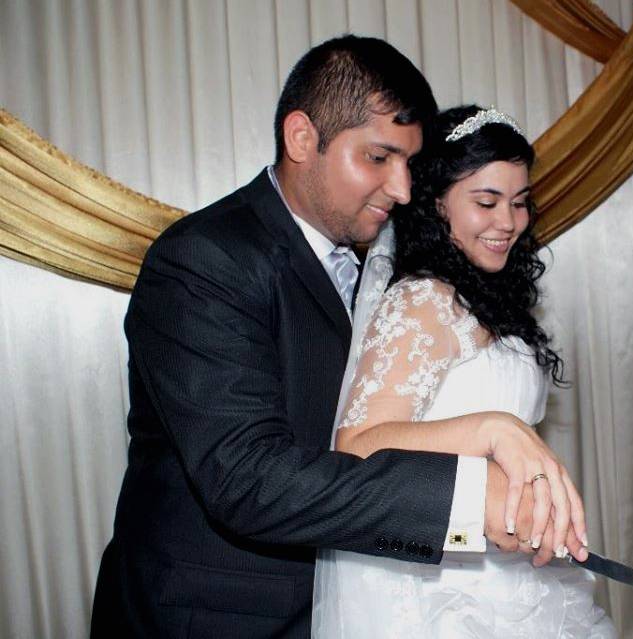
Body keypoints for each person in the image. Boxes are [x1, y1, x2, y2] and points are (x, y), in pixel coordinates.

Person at [90, 37, 585, 638]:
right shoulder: (203, 259)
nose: (402, 189)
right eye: (379, 158)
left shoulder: (384, 258)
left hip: (346, 597)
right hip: (219, 614)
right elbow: (248, 480)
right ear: (302, 138)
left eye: (409, 163)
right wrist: (465, 495)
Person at [313, 105, 615, 637]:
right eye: (486, 202)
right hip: (438, 587)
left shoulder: (488, 297)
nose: (508, 222)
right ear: (436, 204)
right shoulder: (421, 301)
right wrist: (492, 429)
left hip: (505, 562)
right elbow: (357, 446)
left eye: (520, 203)